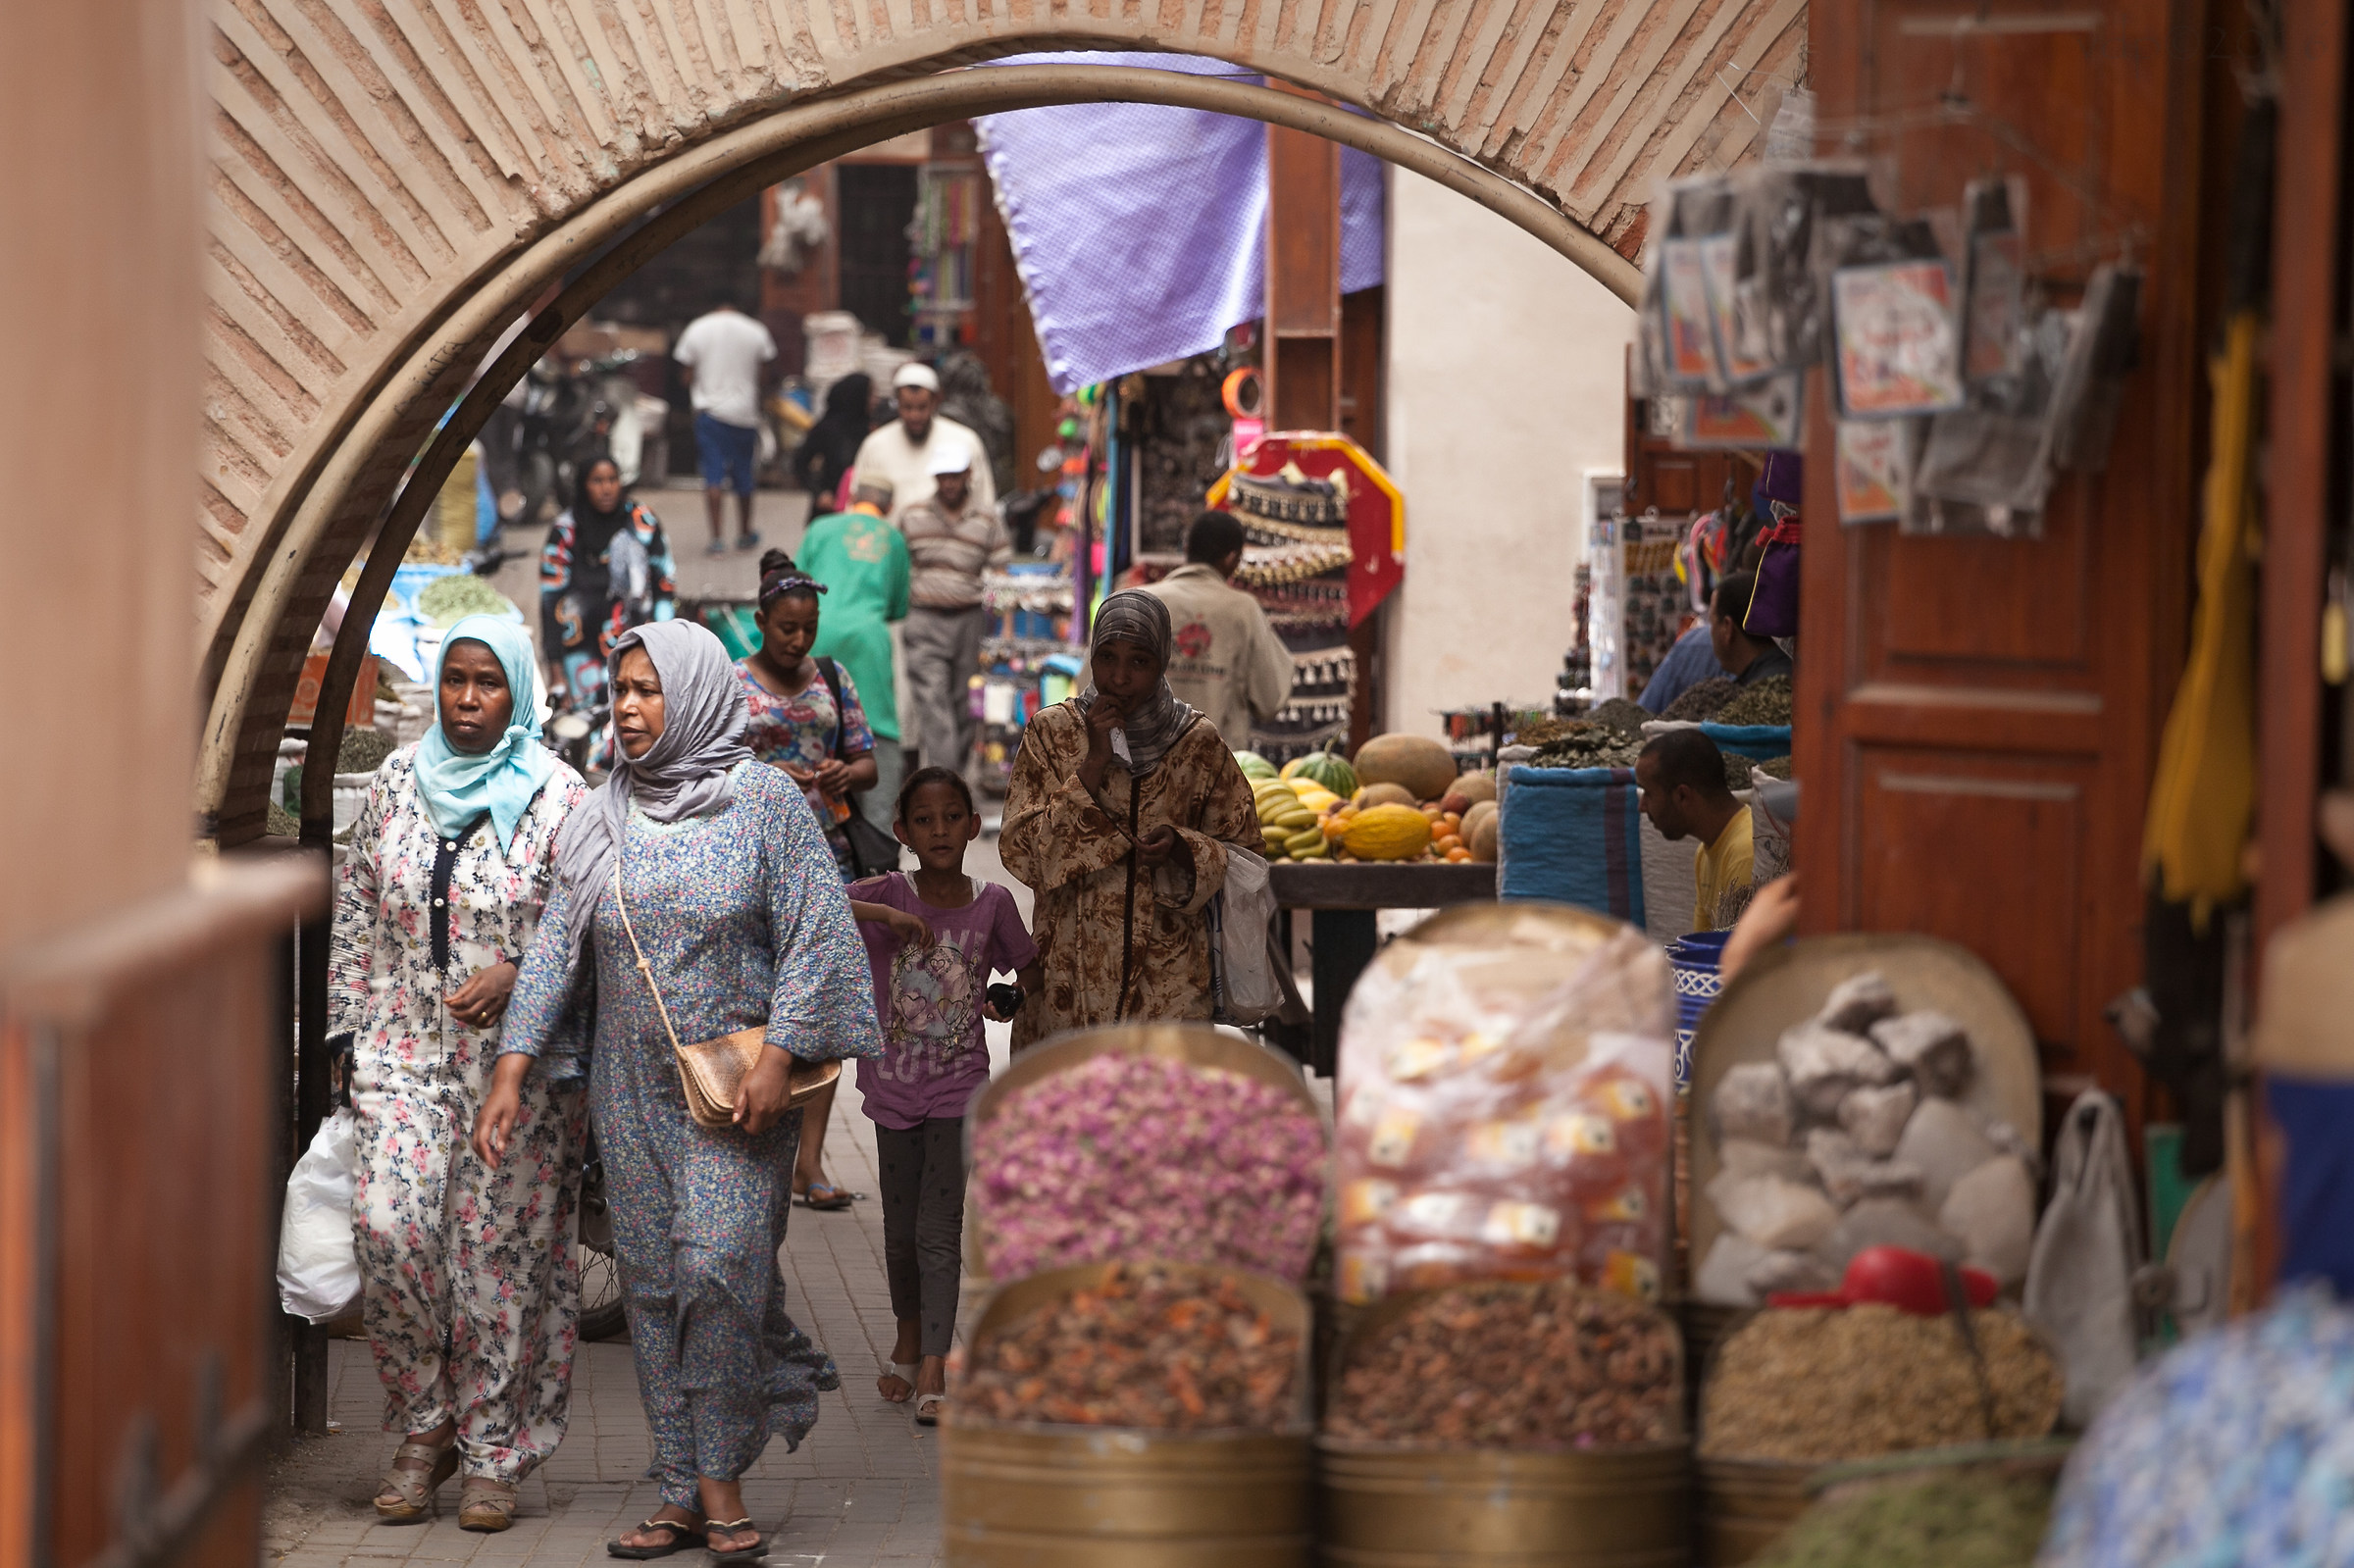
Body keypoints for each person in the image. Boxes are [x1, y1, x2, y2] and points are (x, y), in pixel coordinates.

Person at [483, 621, 880, 1565]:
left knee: (719, 1270)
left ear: (695, 691)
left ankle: (722, 1479)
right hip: (628, 1089)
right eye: (619, 689)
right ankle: (680, 1489)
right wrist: (511, 1067)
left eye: (647, 689)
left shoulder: (764, 802)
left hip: (736, 1094)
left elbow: (819, 931)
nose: (626, 707)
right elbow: (557, 945)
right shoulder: (601, 814)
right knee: (655, 1287)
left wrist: (782, 1053)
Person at [330, 616, 588, 1532]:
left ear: (517, 690)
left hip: (518, 1070)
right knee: (388, 1232)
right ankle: (425, 1420)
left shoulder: (561, 795)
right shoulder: (398, 779)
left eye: (488, 682)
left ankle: (490, 1453)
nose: (468, 699)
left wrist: (520, 973)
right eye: (455, 679)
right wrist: (343, 1031)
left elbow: (584, 923)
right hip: (399, 1051)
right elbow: (357, 902)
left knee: (496, 1265)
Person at [847, 768, 1043, 1425]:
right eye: (924, 820)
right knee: (899, 1234)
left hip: (960, 1090)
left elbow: (1028, 969)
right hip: (893, 1088)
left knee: (938, 1230)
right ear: (902, 831)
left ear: (972, 825)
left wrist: (1008, 996)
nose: (939, 830)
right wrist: (885, 916)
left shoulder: (993, 903)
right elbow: (813, 901)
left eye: (952, 817)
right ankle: (908, 1339)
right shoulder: (886, 891)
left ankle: (935, 1361)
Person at [998, 590, 1264, 1047]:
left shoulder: (1197, 743)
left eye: (1139, 661)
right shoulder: (1053, 733)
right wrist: (1092, 766)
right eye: (1107, 657)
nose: (1119, 678)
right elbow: (1022, 854)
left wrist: (1185, 849)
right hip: (1069, 980)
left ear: (1163, 662)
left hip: (1169, 983)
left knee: (1157, 1092)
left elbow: (1247, 857)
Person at [735, 550, 881, 1213]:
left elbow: (867, 760)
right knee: (763, 1002)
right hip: (752, 857)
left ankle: (810, 1161)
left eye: (809, 628)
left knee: (823, 999)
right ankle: (753, 1135)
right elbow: (713, 761)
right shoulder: (732, 681)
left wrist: (847, 773)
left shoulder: (833, 676)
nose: (799, 640)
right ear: (761, 621)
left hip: (828, 857)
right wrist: (767, 775)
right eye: (787, 627)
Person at [797, 481, 912, 834]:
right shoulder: (893, 538)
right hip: (868, 640)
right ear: (888, 508)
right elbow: (897, 607)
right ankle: (878, 833)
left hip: (817, 633)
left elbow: (796, 585)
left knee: (814, 717)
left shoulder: (820, 528)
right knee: (876, 724)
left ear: (850, 499)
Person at [898, 446, 1011, 775]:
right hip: (924, 619)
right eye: (942, 476)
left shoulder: (987, 519)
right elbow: (896, 564)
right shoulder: (912, 515)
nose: (948, 483)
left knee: (964, 704)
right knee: (933, 704)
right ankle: (944, 777)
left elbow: (1001, 574)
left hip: (969, 620)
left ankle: (953, 779)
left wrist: (1005, 628)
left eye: (955, 476)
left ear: (968, 475)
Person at [1142, 509, 1295, 750]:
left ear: (1186, 548)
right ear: (1232, 558)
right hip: (1216, 766)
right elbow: (1271, 699)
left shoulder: (1141, 601)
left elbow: (1092, 687)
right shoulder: (1243, 609)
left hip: (1142, 763)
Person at [538, 456, 677, 720]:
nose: (606, 489)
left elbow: (665, 586)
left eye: (612, 480)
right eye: (597, 481)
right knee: (586, 727)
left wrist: (665, 647)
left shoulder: (642, 522)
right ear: (583, 485)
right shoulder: (565, 532)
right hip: (581, 660)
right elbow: (550, 604)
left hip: (638, 649)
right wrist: (555, 672)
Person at [672, 294, 777, 555]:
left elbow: (685, 377)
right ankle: (745, 532)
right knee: (744, 474)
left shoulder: (697, 328)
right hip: (744, 413)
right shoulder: (756, 330)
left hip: (710, 414)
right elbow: (765, 375)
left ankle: (717, 538)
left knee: (713, 475)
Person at [1634, 728, 1754, 931]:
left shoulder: (1745, 853)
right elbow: (1702, 942)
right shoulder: (1704, 853)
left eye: (1648, 793)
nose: (1641, 806)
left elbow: (1739, 949)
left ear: (1682, 796)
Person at [849, 362, 996, 523]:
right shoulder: (875, 445)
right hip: (891, 536)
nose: (915, 416)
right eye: (907, 407)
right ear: (897, 403)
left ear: (935, 402)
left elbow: (985, 500)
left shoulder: (964, 440)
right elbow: (857, 503)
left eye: (922, 407)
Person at [789, 372, 872, 512]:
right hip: (830, 508)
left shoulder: (872, 429)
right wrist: (819, 492)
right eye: (869, 395)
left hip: (864, 508)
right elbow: (800, 462)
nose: (874, 400)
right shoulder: (828, 428)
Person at [1709, 570, 1794, 687]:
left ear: (1727, 628)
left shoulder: (1762, 692)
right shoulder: (1793, 671)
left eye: (1711, 622)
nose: (1710, 631)